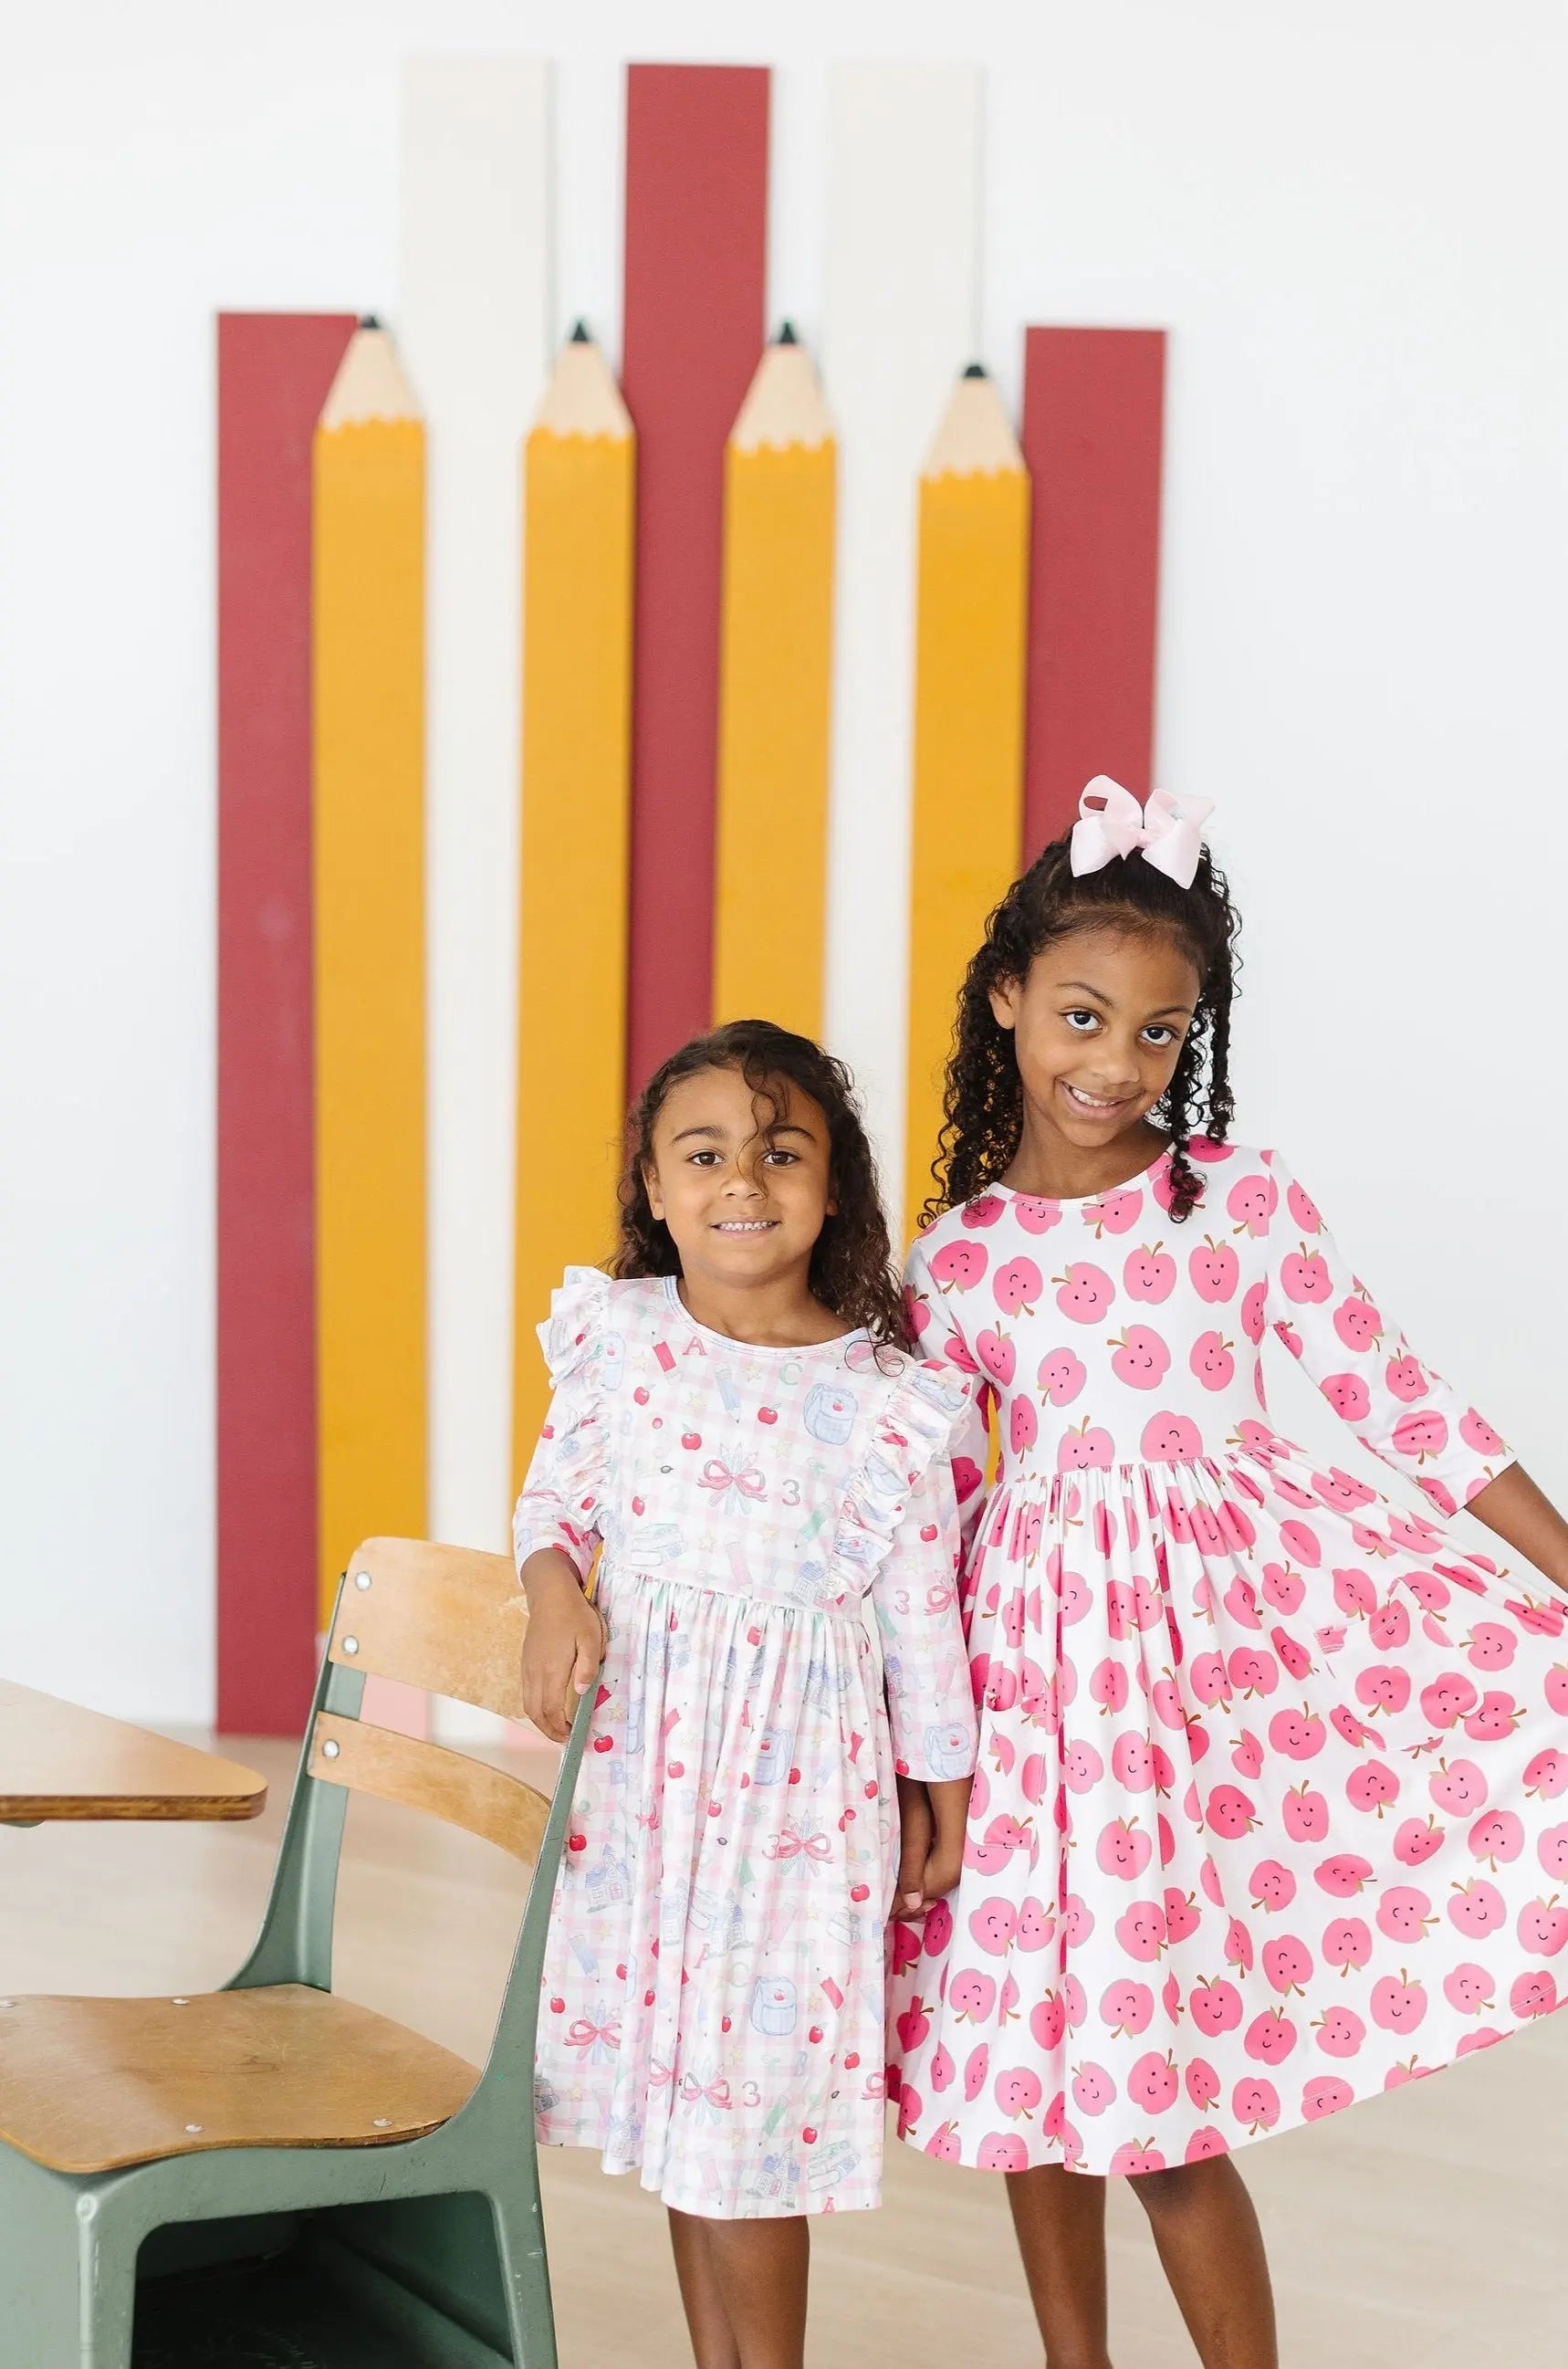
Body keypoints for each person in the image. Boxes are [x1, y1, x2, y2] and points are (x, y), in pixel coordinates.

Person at [888, 779, 1568, 2369]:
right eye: (1078, 1017)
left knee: (1163, 2097)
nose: (1113, 1065)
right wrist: (921, 1763)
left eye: (1157, 1033)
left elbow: (1406, 1407)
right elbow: (925, 1509)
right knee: (1033, 2078)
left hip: (1201, 1683)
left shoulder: (1237, 1209)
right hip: (1030, 1689)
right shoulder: (960, 1259)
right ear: (1005, 1003)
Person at [516, 1019, 977, 2369]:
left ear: (833, 1188)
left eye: (782, 1154)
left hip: (800, 1805)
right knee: (683, 2116)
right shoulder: (617, 1339)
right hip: (647, 1786)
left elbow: (922, 1625)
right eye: (702, 1153)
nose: (741, 1181)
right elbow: (553, 1506)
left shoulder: (889, 1402)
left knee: (753, 2133)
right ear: (652, 1189)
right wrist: (554, 1592)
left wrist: (935, 1791)